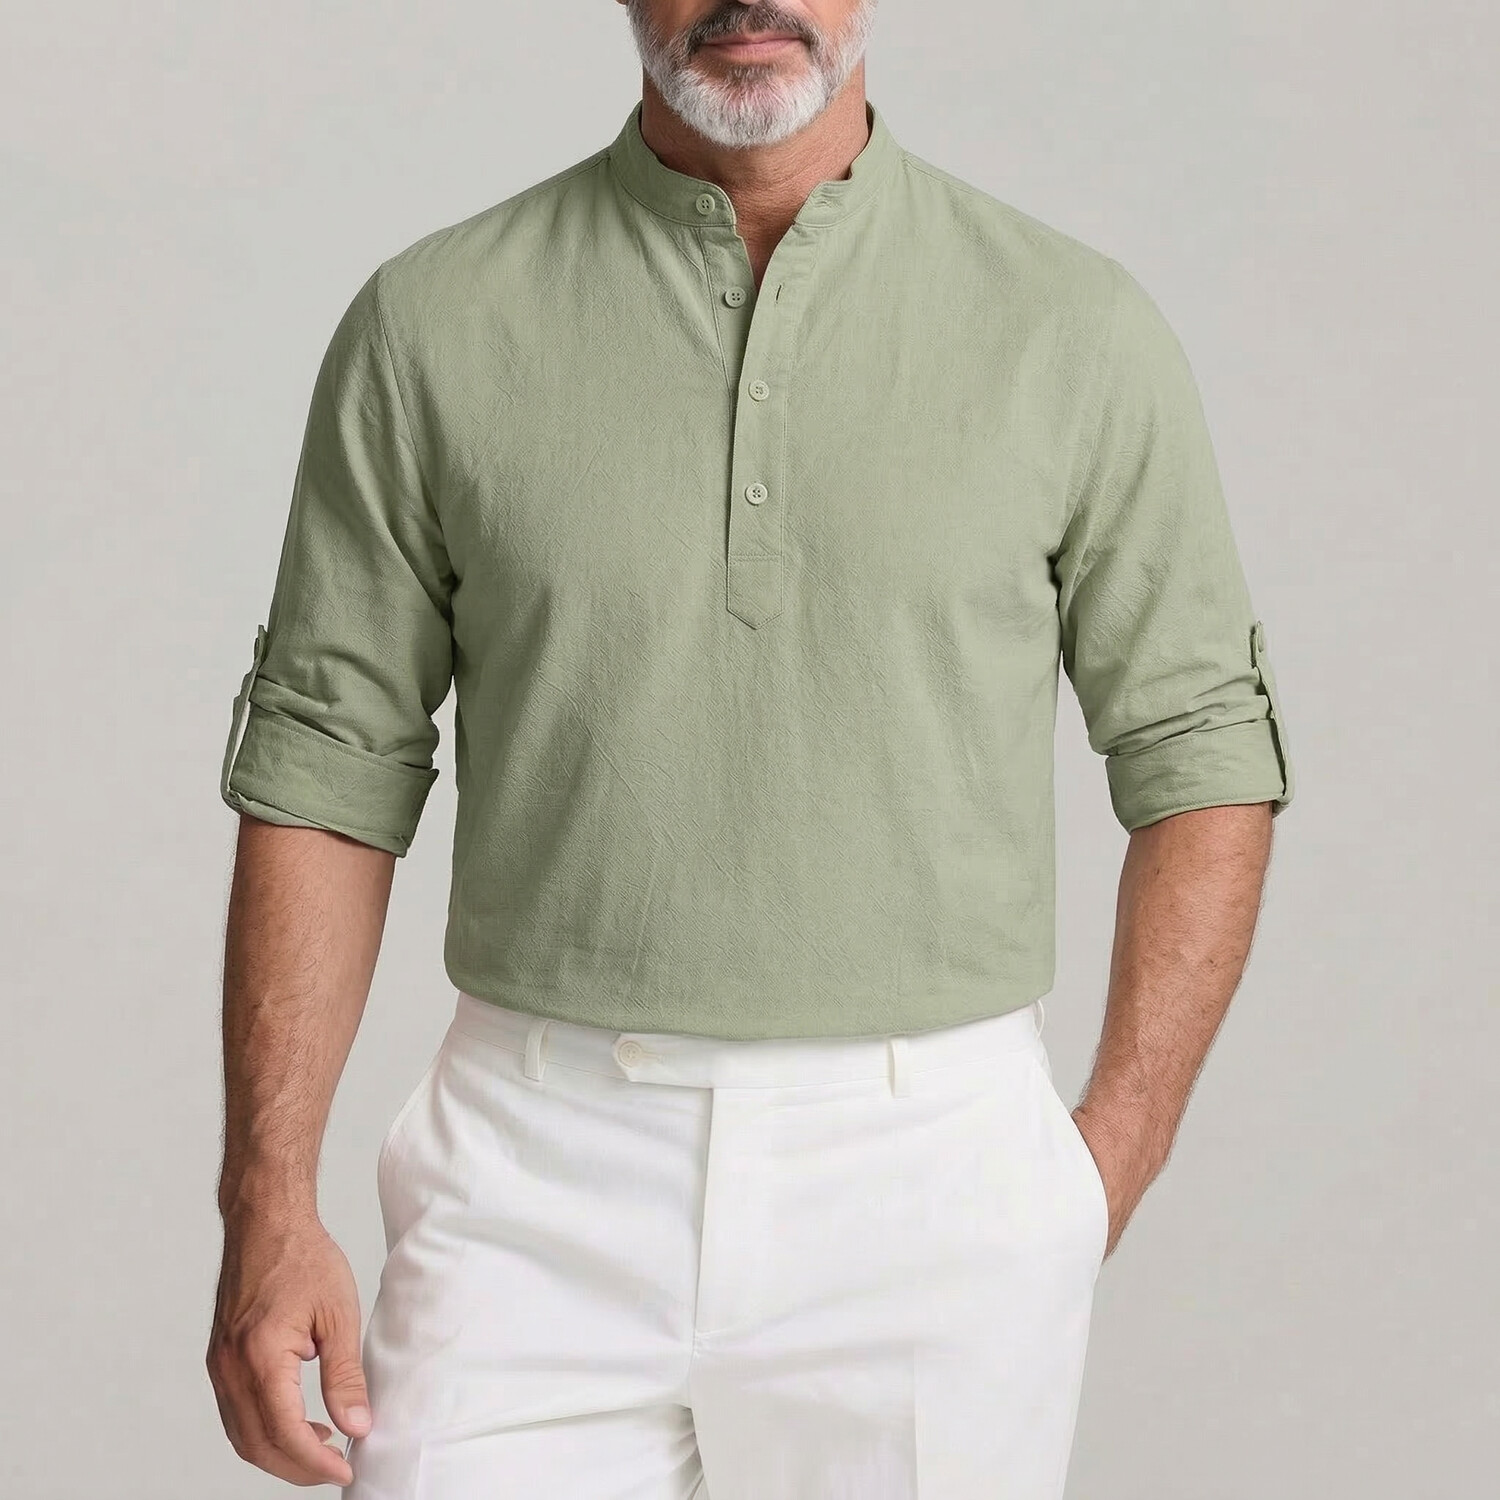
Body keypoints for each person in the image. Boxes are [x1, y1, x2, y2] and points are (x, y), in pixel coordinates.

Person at [205, 2, 1296, 1495]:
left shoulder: (1073, 327)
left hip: (931, 1176)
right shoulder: (433, 322)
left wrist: (1100, 1161)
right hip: (530, 1166)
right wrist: (266, 1200)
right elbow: (329, 769)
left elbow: (1204, 752)